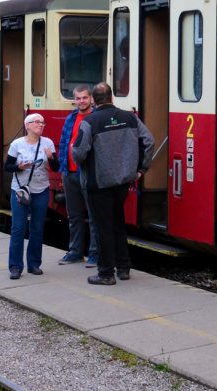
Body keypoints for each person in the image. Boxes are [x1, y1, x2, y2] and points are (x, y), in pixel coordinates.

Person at [71, 82, 154, 285]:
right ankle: (123, 268)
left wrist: (77, 154)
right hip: (123, 182)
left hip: (98, 184)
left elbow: (79, 153)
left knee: (102, 228)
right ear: (112, 98)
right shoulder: (130, 118)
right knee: (118, 225)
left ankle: (106, 273)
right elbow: (149, 142)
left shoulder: (89, 121)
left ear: (93, 100)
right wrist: (140, 170)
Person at [4, 113, 60, 280]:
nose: (40, 125)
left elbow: (56, 168)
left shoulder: (48, 143)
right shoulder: (17, 144)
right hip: (20, 191)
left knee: (37, 229)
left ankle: (34, 264)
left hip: (41, 190)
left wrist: (51, 158)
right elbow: (7, 167)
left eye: (42, 123)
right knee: (18, 229)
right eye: (36, 122)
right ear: (27, 125)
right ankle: (15, 267)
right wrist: (19, 167)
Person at [57, 85, 99, 267]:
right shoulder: (71, 117)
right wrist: (62, 168)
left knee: (94, 216)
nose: (81, 101)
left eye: (84, 98)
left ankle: (95, 254)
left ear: (91, 98)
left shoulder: (97, 117)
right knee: (74, 216)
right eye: (78, 98)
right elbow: (64, 142)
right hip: (70, 173)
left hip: (89, 173)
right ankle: (75, 252)